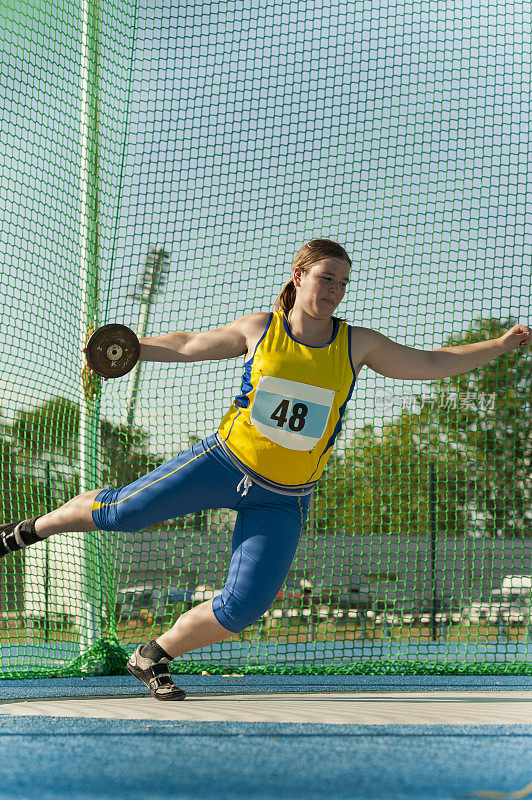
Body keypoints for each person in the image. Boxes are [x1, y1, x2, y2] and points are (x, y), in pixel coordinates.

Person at [0, 239, 530, 700]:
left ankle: (153, 655)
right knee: (125, 513)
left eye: (343, 283)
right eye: (326, 278)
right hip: (224, 462)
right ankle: (27, 530)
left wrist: (501, 346)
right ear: (298, 277)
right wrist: (125, 350)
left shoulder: (356, 344)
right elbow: (187, 346)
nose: (334, 291)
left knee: (242, 608)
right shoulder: (261, 328)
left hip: (285, 496)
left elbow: (432, 363)